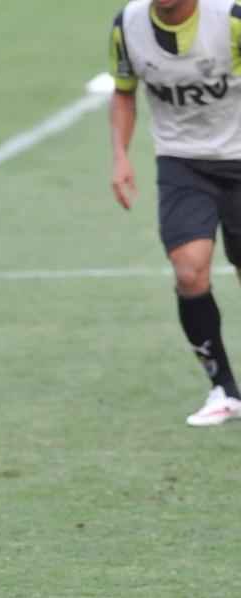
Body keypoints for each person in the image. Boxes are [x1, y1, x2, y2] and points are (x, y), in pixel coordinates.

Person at [110, 0, 241, 425]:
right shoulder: (128, 25)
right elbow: (124, 93)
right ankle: (223, 388)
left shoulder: (232, 17)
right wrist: (120, 157)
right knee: (189, 272)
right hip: (181, 161)